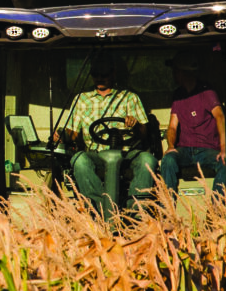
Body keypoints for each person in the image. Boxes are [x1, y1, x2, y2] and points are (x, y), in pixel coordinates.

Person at [56, 56, 157, 217]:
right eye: (96, 74)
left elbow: (144, 133)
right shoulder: (81, 99)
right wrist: (61, 135)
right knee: (79, 160)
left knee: (148, 159)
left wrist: (135, 124)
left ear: (113, 74)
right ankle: (99, 210)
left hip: (125, 153)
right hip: (96, 153)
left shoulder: (129, 97)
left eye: (104, 74)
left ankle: (136, 211)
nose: (100, 78)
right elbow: (73, 133)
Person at [161, 61, 226, 193]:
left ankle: (217, 209)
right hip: (184, 150)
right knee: (168, 160)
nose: (173, 75)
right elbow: (172, 126)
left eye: (175, 71)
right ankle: (168, 208)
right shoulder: (178, 95)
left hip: (207, 149)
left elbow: (220, 116)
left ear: (183, 73)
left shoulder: (206, 92)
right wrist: (171, 146)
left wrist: (224, 149)